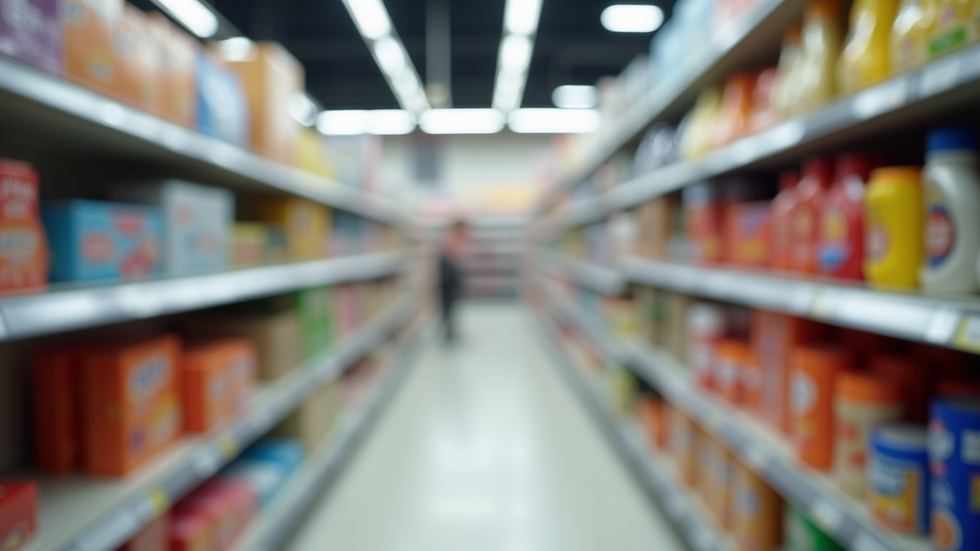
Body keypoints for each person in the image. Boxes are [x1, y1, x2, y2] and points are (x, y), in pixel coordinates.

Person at [438, 220, 468, 342]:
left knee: (450, 302)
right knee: (449, 302)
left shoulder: (451, 236)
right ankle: (448, 330)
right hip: (448, 270)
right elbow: (455, 254)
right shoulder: (454, 238)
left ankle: (449, 329)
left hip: (449, 270)